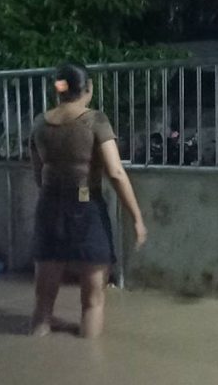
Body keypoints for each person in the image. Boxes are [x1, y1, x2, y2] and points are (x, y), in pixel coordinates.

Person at [29, 63, 147, 338]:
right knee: (92, 302)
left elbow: (37, 172)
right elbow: (116, 173)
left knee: (43, 304)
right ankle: (89, 353)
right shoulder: (95, 120)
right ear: (88, 88)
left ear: (58, 90)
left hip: (48, 206)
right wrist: (137, 218)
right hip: (86, 207)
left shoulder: (39, 122)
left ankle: (39, 336)